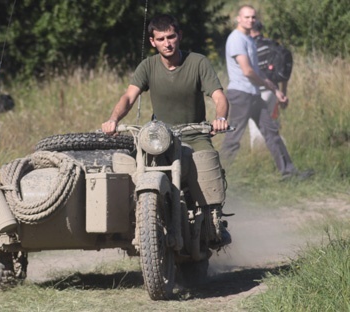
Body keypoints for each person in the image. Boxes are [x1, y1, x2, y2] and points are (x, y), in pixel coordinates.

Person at [102, 14, 231, 248]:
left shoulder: (198, 62)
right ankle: (135, 219)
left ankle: (214, 220)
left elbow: (219, 96)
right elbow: (129, 97)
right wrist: (113, 119)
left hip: (195, 134)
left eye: (171, 36)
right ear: (153, 42)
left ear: (179, 36)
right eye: (161, 39)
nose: (167, 43)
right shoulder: (148, 66)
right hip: (159, 137)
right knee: (129, 166)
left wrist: (220, 118)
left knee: (205, 162)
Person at [221, 5, 313, 180]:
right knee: (233, 138)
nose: (250, 20)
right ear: (238, 19)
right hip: (241, 94)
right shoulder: (236, 39)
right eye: (247, 17)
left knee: (271, 132)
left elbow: (258, 71)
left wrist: (276, 91)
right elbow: (247, 71)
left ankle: (289, 173)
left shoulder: (249, 40)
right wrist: (264, 83)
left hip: (254, 94)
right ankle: (217, 177)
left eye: (253, 17)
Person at [247, 20, 287, 149]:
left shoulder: (250, 45)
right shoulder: (273, 45)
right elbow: (283, 71)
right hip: (274, 93)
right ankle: (277, 154)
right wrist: (282, 93)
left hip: (257, 92)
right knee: (272, 125)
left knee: (255, 128)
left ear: (251, 30)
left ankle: (258, 159)